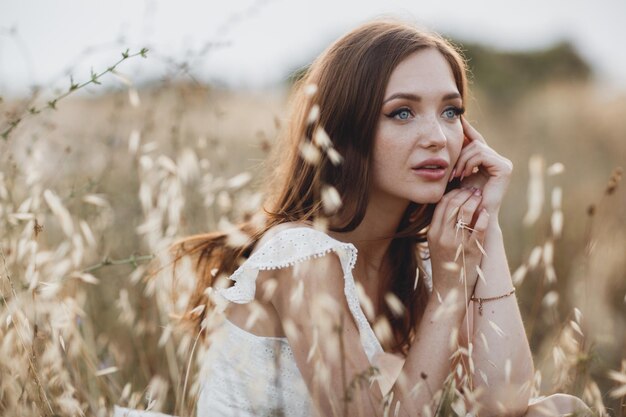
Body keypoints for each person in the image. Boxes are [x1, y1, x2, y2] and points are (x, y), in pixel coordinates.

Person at [117, 18, 592, 417]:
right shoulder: (299, 256)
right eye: (402, 113)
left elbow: (505, 400)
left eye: (451, 112)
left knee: (558, 409)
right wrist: (449, 293)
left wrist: (484, 219)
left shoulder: (418, 257)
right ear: (345, 131)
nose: (437, 137)